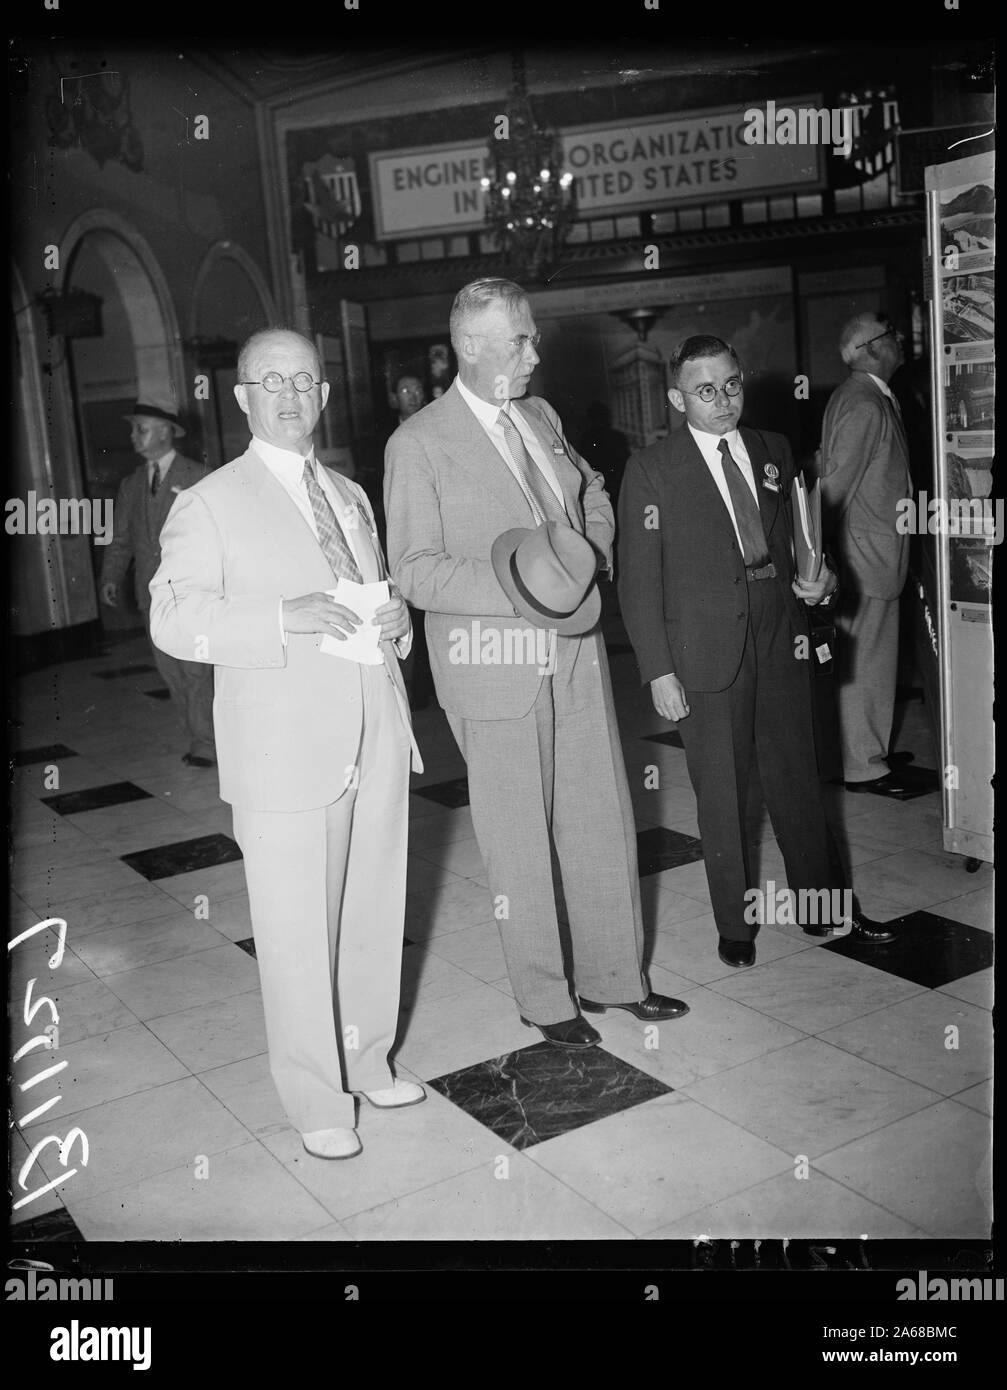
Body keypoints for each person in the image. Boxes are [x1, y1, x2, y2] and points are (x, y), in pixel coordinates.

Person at [385, 277, 688, 1049]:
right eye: (519, 338)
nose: (534, 349)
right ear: (471, 348)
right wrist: (529, 588)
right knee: (516, 837)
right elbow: (415, 571)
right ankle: (543, 998)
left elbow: (589, 491)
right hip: (493, 663)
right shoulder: (417, 442)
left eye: (531, 334)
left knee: (599, 818)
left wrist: (583, 552)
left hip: (576, 651)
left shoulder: (542, 416)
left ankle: (616, 978)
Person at [149, 328, 424, 1161]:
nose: (292, 395)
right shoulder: (209, 502)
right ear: (241, 399)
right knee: (298, 929)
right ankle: (316, 1100)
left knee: (374, 909)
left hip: (375, 727)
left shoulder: (349, 494)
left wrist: (400, 623)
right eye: (272, 381)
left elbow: (376, 599)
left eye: (305, 380)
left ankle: (367, 1056)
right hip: (282, 749)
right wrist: (278, 616)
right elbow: (171, 615)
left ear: (324, 393)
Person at [617, 335, 898, 969]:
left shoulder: (772, 450)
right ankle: (735, 929)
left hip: (779, 635)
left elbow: (803, 543)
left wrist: (820, 583)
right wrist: (659, 669)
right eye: (705, 391)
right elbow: (637, 582)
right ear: (676, 398)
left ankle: (826, 912)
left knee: (797, 779)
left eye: (733, 386)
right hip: (702, 650)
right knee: (722, 791)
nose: (723, 401)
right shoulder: (653, 469)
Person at [819, 313, 915, 794]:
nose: (899, 338)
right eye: (891, 333)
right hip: (866, 558)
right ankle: (863, 763)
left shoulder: (864, 397)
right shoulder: (865, 405)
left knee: (872, 662)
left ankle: (868, 749)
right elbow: (835, 487)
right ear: (872, 348)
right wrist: (825, 556)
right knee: (866, 664)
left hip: (871, 553)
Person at [99, 403, 215, 767]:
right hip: (151, 595)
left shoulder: (199, 476)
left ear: (166, 431)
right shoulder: (131, 485)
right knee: (170, 669)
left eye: (141, 429)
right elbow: (120, 540)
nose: (134, 436)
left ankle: (207, 744)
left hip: (193, 591)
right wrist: (111, 577)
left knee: (196, 670)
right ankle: (199, 737)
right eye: (134, 429)